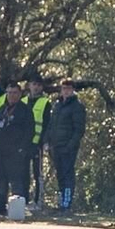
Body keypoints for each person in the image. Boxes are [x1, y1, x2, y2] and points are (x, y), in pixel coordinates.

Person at [0, 82, 34, 213]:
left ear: (20, 94)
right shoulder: (2, 109)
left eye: (14, 93)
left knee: (16, 180)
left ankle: (16, 210)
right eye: (9, 93)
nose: (11, 96)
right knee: (0, 179)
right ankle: (0, 208)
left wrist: (22, 148)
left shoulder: (25, 110)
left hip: (15, 151)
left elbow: (29, 131)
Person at [48, 78, 87, 212]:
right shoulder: (57, 105)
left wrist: (70, 146)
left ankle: (67, 203)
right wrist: (48, 141)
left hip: (68, 147)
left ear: (73, 90)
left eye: (69, 89)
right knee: (60, 175)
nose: (66, 91)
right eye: (64, 88)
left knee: (67, 174)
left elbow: (79, 129)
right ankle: (61, 202)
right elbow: (51, 125)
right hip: (56, 146)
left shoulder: (77, 107)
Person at [26, 75, 53, 206]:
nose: (36, 87)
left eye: (38, 85)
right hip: (23, 143)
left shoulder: (45, 103)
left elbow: (48, 124)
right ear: (29, 86)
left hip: (38, 143)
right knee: (23, 173)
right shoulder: (23, 101)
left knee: (38, 173)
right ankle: (24, 199)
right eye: (34, 84)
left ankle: (38, 200)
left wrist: (45, 141)